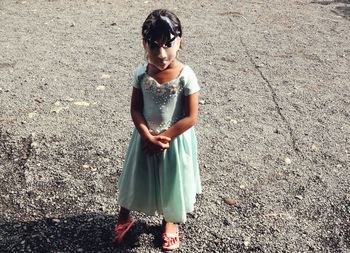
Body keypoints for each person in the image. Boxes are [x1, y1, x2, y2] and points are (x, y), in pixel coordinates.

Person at [114, 9, 201, 251]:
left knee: (171, 179)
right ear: (144, 44)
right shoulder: (141, 73)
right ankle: (124, 216)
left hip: (173, 141)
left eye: (168, 44)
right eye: (154, 46)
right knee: (135, 176)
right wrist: (147, 136)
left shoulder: (186, 76)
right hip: (144, 137)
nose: (161, 54)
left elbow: (191, 116)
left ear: (180, 41)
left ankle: (170, 221)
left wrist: (163, 137)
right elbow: (135, 109)